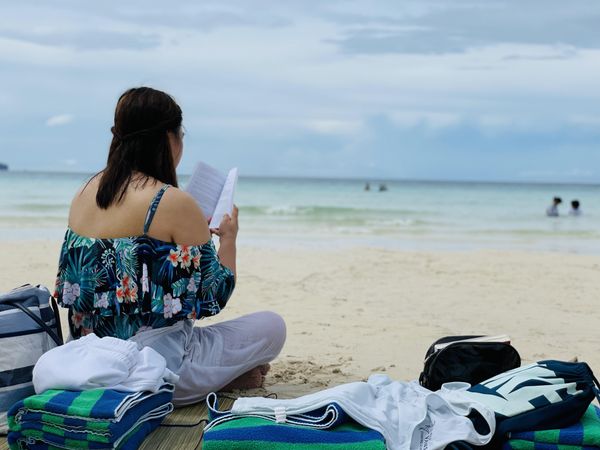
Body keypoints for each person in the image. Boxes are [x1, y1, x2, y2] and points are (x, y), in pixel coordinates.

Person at [53, 87, 286, 406]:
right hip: (158, 375)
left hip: (85, 368)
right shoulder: (171, 201)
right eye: (181, 134)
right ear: (167, 138)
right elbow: (213, 298)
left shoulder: (83, 194)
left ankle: (223, 377)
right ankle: (220, 379)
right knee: (273, 326)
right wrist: (227, 239)